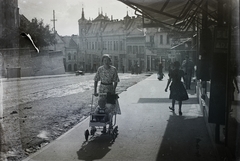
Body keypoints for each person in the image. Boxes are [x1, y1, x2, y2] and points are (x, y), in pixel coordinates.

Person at [94, 54, 120, 133]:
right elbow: (96, 80)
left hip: (110, 89)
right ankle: (103, 125)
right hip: (102, 89)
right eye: (104, 60)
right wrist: (95, 90)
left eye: (107, 60)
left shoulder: (113, 69)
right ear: (102, 61)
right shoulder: (100, 69)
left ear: (110, 61)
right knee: (102, 107)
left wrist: (114, 90)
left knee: (110, 108)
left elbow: (116, 80)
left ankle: (110, 125)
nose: (106, 62)